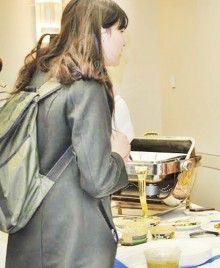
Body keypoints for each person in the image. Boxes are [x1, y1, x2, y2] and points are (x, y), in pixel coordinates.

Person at [6, 0, 130, 267]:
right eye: (121, 30)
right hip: (72, 248)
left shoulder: (38, 75)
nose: (124, 40)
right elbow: (97, 179)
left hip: (29, 240)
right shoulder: (87, 86)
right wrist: (120, 156)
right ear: (102, 31)